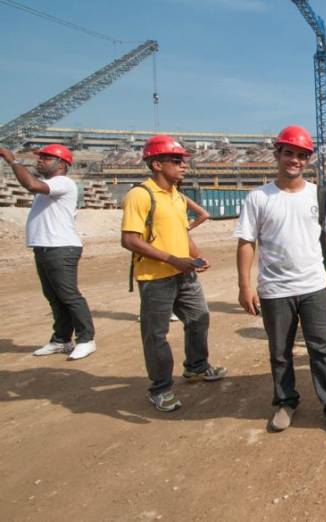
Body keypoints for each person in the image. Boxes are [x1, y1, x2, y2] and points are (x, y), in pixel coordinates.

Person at [234, 125, 326, 436]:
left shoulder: (319, 194)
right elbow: (246, 242)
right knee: (280, 351)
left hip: (314, 286)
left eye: (301, 155)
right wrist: (245, 286)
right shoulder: (258, 197)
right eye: (289, 153)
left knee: (323, 350)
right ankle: (286, 402)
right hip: (275, 289)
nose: (295, 160)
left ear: (307, 160)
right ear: (278, 154)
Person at [121, 135, 227, 412]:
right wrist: (173, 260)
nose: (184, 166)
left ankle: (196, 367)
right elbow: (130, 239)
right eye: (177, 161)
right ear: (156, 164)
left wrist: (195, 256)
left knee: (199, 318)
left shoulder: (177, 196)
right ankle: (160, 388)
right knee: (156, 334)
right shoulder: (140, 195)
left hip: (184, 273)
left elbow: (180, 232)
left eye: (183, 162)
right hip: (156, 278)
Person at [0, 144, 96, 360]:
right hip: (45, 247)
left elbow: (31, 184)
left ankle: (86, 339)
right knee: (54, 297)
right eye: (40, 157)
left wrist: (12, 160)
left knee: (69, 295)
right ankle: (61, 340)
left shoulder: (63, 182)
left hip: (60, 247)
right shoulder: (50, 184)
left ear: (61, 164)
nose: (40, 160)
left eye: (46, 157)